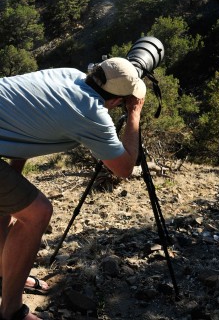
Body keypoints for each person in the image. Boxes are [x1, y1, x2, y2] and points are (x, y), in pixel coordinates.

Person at [0, 57, 146, 320]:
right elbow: (124, 168)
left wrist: (12, 185)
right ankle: (11, 311)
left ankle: (5, 277)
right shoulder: (91, 112)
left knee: (5, 209)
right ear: (115, 102)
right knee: (37, 213)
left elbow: (21, 122)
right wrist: (135, 113)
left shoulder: (68, 73)